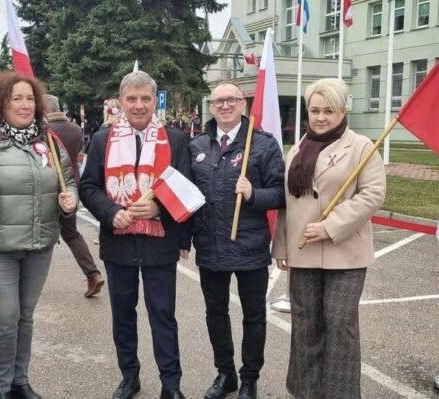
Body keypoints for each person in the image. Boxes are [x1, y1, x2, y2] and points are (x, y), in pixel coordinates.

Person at [0, 71, 77, 399]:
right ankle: (2, 388)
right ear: (0, 103)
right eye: (15, 98)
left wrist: (69, 201)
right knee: (6, 319)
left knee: (25, 317)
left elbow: (67, 181)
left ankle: (20, 381)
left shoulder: (47, 140)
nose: (24, 105)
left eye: (29, 98)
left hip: (39, 245)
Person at [272, 78, 386, 399]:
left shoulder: (362, 147)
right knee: (305, 325)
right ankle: (306, 392)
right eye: (315, 110)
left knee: (340, 326)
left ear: (342, 110)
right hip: (303, 251)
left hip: (345, 251)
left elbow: (373, 194)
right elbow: (286, 202)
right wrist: (282, 246)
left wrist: (331, 225)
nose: (321, 117)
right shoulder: (297, 148)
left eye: (328, 110)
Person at [79, 71, 190, 399]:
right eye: (132, 99)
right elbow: (88, 187)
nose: (139, 105)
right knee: (123, 315)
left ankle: (171, 384)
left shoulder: (175, 139)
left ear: (155, 100)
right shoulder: (102, 139)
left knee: (163, 316)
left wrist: (160, 208)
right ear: (121, 102)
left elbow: (186, 188)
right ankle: (130, 376)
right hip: (119, 242)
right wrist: (113, 212)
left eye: (145, 98)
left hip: (160, 242)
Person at [186, 82, 285, 399]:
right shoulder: (197, 145)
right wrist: (183, 239)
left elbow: (282, 193)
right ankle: (225, 374)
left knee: (254, 316)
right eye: (218, 101)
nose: (225, 106)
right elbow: (188, 198)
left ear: (243, 104)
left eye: (231, 100)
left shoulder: (263, 145)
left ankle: (249, 378)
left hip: (250, 247)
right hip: (211, 246)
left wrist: (254, 194)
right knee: (215, 314)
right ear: (211, 107)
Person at [44, 94, 105, 297]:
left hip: (47, 187)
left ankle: (29, 283)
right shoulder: (75, 129)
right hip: (71, 185)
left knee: (42, 235)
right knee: (71, 233)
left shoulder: (43, 130)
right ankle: (93, 273)